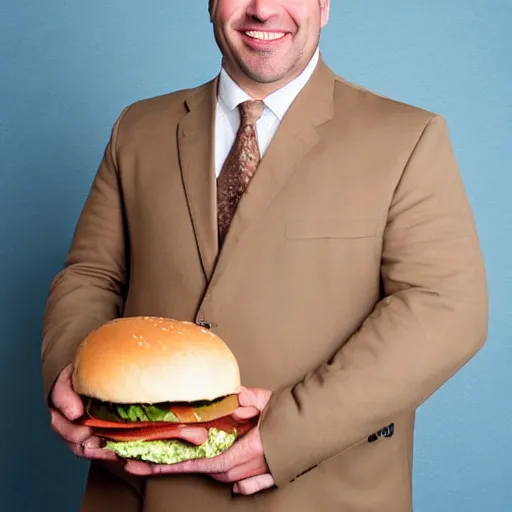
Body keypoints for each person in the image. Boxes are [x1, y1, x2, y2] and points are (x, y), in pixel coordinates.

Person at [41, 0, 489, 511]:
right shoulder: (138, 128)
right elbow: (91, 275)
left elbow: (446, 307)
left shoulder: (407, 138)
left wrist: (290, 433)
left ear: (324, 6)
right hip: (138, 492)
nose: (262, 9)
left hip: (320, 492)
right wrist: (70, 375)